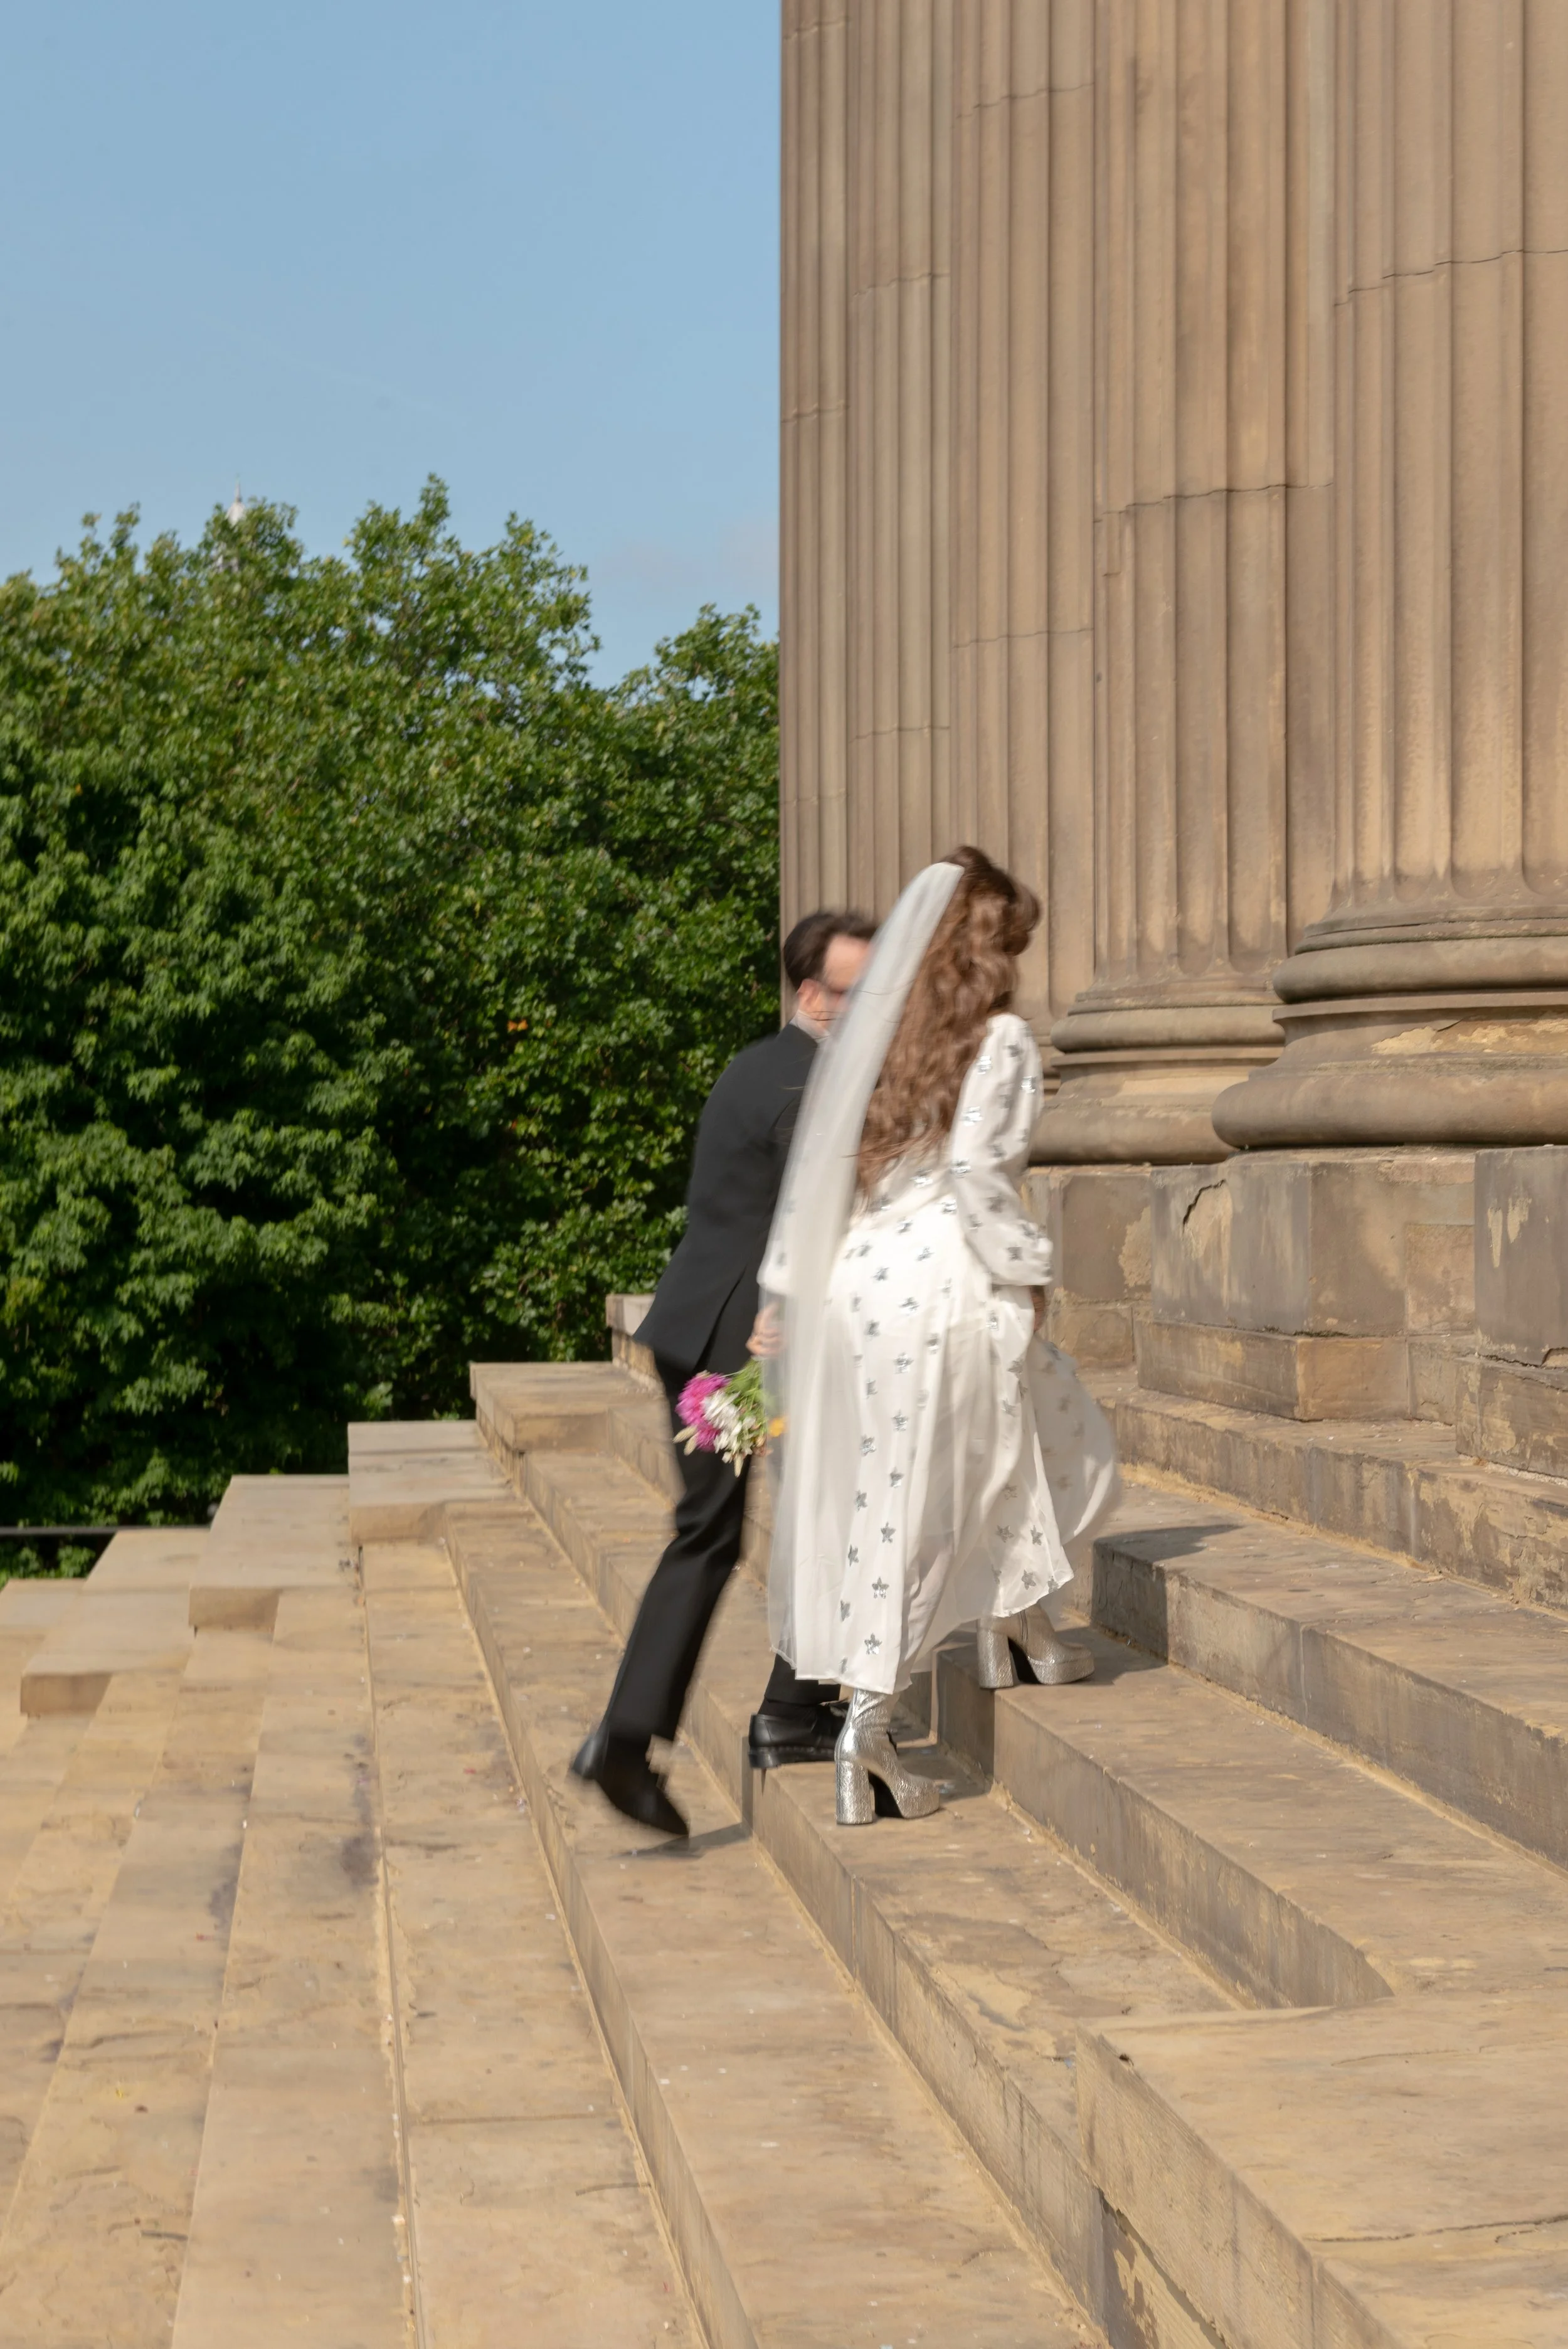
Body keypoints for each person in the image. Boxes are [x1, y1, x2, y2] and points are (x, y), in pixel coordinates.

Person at [760, 847, 1116, 1828]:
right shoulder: (1000, 1039)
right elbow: (978, 1175)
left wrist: (792, 1291)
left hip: (862, 1285)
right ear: (990, 948)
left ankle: (1018, 1626)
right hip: (941, 1284)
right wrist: (1029, 1268)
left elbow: (832, 1171)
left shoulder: (882, 1035)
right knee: (925, 1507)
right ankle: (868, 1732)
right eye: (1014, 943)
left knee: (1003, 1438)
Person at [570, 906, 877, 1837]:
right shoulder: (810, 1084)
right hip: (738, 1342)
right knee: (723, 1530)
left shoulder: (760, 1063)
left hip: (698, 1321)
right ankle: (640, 1737)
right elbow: (803, 1218)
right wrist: (780, 1324)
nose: (875, 1007)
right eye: (859, 991)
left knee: (740, 1523)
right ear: (814, 995)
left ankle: (772, 1707)